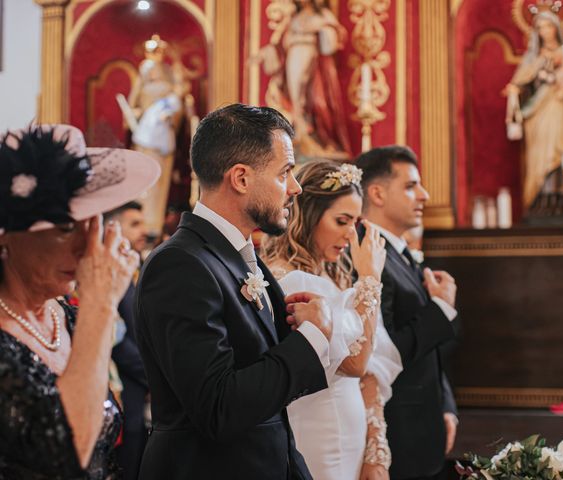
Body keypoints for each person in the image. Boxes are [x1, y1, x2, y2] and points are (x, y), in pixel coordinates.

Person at [134, 103, 333, 479]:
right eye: (285, 172)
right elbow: (219, 408)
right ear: (240, 178)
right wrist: (310, 339)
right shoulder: (179, 266)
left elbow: (263, 383)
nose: (295, 187)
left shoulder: (239, 255)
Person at [0, 124, 159, 479]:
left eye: (95, 224)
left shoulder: (70, 319)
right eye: (66, 228)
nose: (88, 247)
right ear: (6, 236)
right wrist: (101, 303)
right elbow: (64, 456)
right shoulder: (88, 315)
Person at [262, 161, 402, 480]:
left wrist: (376, 450)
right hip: (320, 437)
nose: (351, 234)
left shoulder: (332, 277)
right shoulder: (292, 282)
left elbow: (371, 375)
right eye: (342, 220)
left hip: (352, 438)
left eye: (355, 222)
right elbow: (356, 363)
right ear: (308, 215)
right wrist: (369, 279)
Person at [356, 146, 459, 480]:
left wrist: (445, 404)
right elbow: (381, 350)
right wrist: (441, 308)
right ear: (377, 193)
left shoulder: (399, 253)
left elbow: (431, 349)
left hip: (424, 427)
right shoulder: (366, 255)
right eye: (411, 185)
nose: (425, 195)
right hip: (396, 431)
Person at [505, 10, 563, 219]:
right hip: (539, 112)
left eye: (549, 26)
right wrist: (516, 91)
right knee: (542, 156)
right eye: (540, 27)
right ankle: (540, 201)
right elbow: (521, 83)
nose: (545, 31)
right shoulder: (533, 57)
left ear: (557, 28)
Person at [255, 0, 351, 160]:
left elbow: (330, 45)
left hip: (312, 60)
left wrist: (324, 30)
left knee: (314, 99)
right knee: (295, 99)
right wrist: (267, 52)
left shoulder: (323, 16)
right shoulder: (294, 18)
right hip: (293, 59)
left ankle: (315, 136)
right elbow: (281, 46)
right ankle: (300, 132)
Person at [123, 34, 186, 236]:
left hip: (164, 136)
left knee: (160, 181)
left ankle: (155, 225)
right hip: (146, 136)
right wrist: (138, 115)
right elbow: (133, 103)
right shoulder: (145, 72)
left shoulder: (170, 76)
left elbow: (179, 102)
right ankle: (143, 224)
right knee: (146, 178)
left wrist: (172, 115)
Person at [104, 201, 149, 480]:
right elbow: (116, 340)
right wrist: (152, 374)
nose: (144, 230)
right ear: (113, 228)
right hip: (124, 387)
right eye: (134, 224)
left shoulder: (137, 268)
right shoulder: (107, 273)